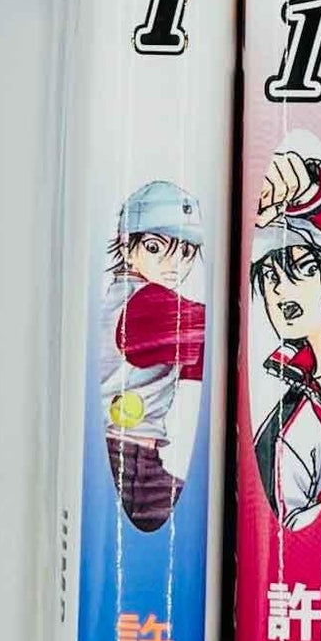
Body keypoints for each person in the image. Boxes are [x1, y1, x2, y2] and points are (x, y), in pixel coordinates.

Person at [248, 150, 321, 532]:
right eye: (270, 276)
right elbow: (293, 530)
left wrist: (308, 188)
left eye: (304, 268)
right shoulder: (285, 434)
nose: (281, 290)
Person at [100, 181, 206, 532]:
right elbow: (220, 335)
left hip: (134, 460)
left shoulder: (126, 297)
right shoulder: (147, 305)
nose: (175, 262)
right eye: (156, 247)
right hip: (128, 465)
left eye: (186, 251)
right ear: (127, 247)